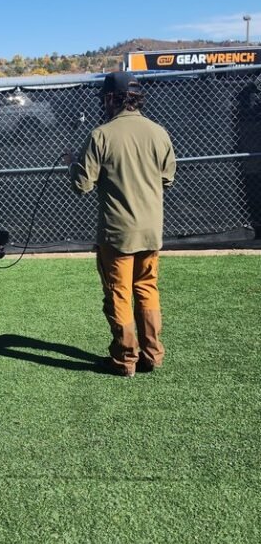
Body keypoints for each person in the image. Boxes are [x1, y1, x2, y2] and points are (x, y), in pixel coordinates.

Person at [64, 71, 176, 377]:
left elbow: (82, 185)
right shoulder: (159, 132)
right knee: (147, 289)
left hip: (117, 234)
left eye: (105, 99)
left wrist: (72, 163)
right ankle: (152, 354)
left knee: (119, 294)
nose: (104, 104)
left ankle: (125, 359)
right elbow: (167, 179)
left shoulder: (101, 135)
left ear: (113, 99)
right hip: (152, 232)